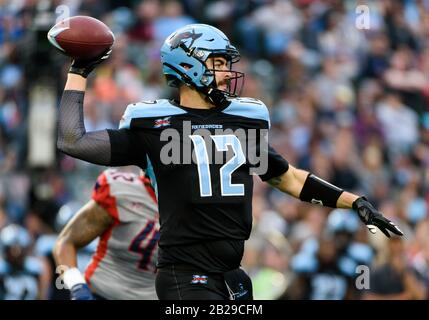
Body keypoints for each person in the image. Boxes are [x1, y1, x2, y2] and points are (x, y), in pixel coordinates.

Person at [55, 23, 403, 300]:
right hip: (184, 274)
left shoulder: (243, 120)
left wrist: (353, 201)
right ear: (188, 63)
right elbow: (73, 140)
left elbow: (289, 179)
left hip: (232, 276)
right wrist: (80, 72)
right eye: (218, 63)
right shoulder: (154, 125)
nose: (227, 72)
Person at [53, 167, 159, 300]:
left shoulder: (189, 207)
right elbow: (65, 243)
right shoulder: (121, 191)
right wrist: (78, 288)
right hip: (102, 294)